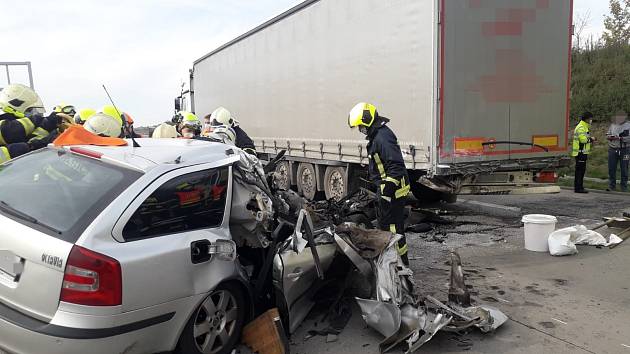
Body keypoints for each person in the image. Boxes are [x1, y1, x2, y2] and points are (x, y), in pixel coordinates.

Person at [348, 102, 410, 265]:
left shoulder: (383, 137)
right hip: (387, 190)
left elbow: (396, 167)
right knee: (387, 228)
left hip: (393, 192)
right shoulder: (378, 135)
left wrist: (386, 194)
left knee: (393, 230)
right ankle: (393, 261)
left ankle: (399, 264)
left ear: (367, 120)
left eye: (360, 126)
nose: (360, 130)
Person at [0, 83, 62, 162]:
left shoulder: (17, 131)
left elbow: (31, 142)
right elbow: (8, 132)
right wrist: (36, 120)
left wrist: (48, 126)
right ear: (14, 106)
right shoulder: (9, 129)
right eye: (29, 110)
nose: (32, 113)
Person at [572, 111, 596, 194]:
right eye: (590, 119)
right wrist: (592, 139)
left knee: (581, 171)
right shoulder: (581, 127)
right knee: (580, 171)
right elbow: (583, 140)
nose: (591, 120)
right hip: (580, 153)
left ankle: (579, 187)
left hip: (582, 152)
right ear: (586, 119)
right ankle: (578, 188)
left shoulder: (584, 126)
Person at [606, 110, 630, 192]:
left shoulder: (628, 125)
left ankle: (624, 187)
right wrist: (609, 137)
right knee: (611, 168)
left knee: (624, 168)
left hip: (625, 150)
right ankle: (612, 186)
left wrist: (621, 138)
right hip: (612, 149)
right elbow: (607, 134)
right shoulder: (613, 124)